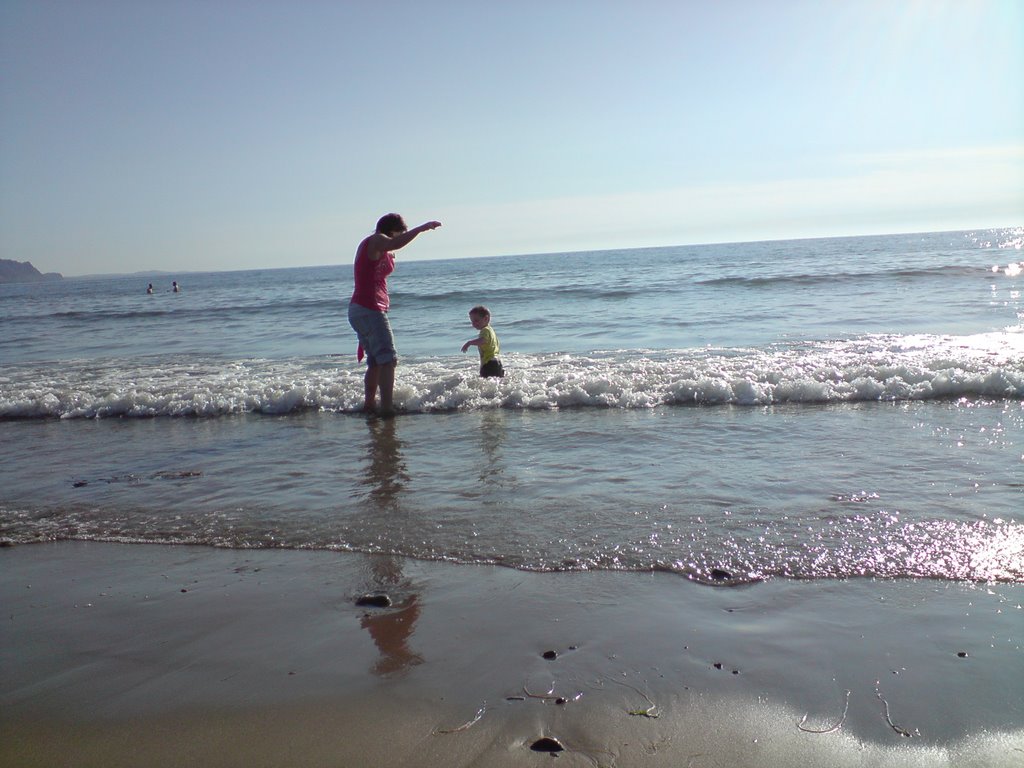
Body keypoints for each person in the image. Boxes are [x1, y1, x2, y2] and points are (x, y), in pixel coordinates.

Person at [348, 213, 442, 416]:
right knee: (388, 360)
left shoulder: (379, 248)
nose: (403, 235)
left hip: (362, 309)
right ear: (391, 230)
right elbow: (397, 243)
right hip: (369, 307)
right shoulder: (376, 240)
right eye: (402, 231)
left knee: (375, 361)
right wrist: (421, 229)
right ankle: (386, 408)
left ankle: (370, 405)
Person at [461, 305, 504, 378]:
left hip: (489, 363)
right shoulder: (491, 330)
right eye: (472, 322)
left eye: (476, 320)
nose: (474, 324)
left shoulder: (485, 330)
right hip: (498, 362)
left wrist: (469, 343)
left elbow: (483, 340)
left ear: (486, 319)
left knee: (485, 381)